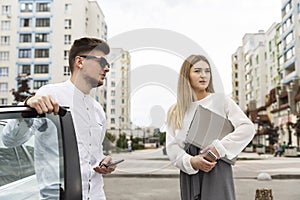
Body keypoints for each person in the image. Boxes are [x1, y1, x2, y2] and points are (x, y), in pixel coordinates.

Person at [20, 37, 115, 200]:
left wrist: (104, 163)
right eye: (102, 62)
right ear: (80, 62)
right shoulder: (49, 95)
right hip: (59, 196)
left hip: (97, 195)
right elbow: (10, 140)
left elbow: (93, 155)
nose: (106, 68)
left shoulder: (98, 110)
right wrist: (27, 104)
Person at [166, 55, 255, 200]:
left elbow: (247, 128)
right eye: (197, 71)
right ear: (186, 75)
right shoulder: (176, 111)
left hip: (216, 167)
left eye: (207, 71)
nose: (203, 75)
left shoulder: (221, 101)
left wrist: (219, 148)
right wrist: (191, 162)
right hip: (190, 174)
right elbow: (172, 147)